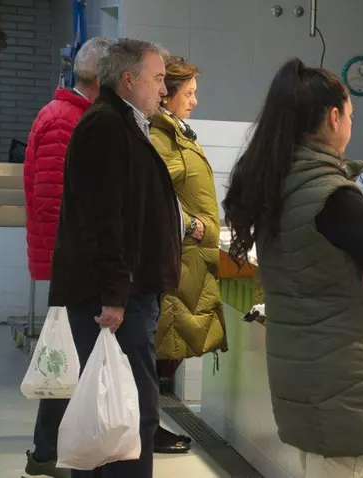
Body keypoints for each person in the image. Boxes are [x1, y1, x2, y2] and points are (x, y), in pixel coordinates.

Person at [222, 58, 363, 478]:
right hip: (343, 375)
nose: (351, 124)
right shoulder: (334, 195)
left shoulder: (273, 179)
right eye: (351, 115)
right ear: (333, 118)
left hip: (302, 365)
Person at [48, 38, 181, 478]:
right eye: (158, 78)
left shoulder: (123, 122)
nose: (164, 89)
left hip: (126, 292)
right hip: (114, 298)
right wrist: (114, 295)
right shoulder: (105, 126)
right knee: (125, 412)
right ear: (128, 79)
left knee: (118, 411)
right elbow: (102, 219)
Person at [22, 36, 111, 478]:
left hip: (71, 260)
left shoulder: (74, 116)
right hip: (71, 264)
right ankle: (46, 453)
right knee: (65, 362)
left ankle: (51, 451)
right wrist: (81, 258)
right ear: (103, 78)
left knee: (68, 360)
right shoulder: (65, 120)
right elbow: (53, 203)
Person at [149, 56, 227, 454]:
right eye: (190, 93)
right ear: (168, 95)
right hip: (178, 260)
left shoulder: (175, 132)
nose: (195, 101)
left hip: (189, 260)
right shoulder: (160, 137)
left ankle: (148, 428)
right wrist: (191, 225)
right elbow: (154, 194)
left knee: (164, 351)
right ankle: (146, 431)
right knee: (158, 351)